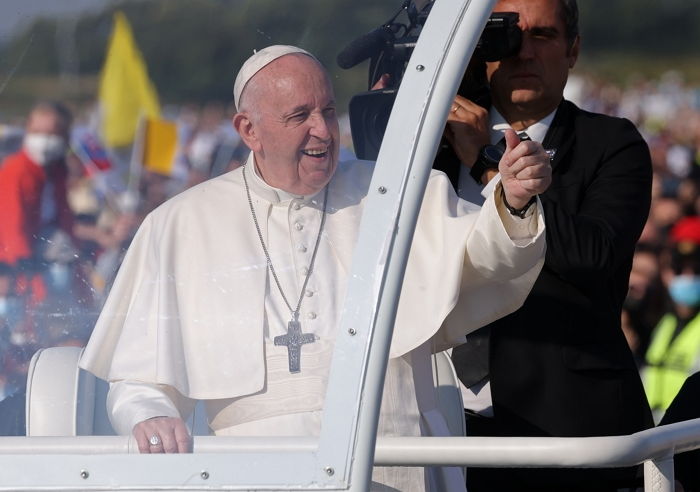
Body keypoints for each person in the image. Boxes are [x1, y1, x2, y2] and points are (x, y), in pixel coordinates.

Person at [79, 45, 551, 491]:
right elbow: (138, 378)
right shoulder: (178, 224)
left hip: (393, 455)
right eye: (299, 116)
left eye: (327, 110)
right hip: (255, 474)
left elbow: (483, 261)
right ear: (249, 130)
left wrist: (510, 200)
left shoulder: (397, 195)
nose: (323, 130)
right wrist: (149, 414)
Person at [444, 0, 654, 490]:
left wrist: (487, 165)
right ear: (480, 53)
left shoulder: (610, 143)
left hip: (570, 428)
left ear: (573, 49)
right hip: (441, 425)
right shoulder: (428, 149)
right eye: (506, 35)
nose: (523, 52)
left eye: (542, 35)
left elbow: (594, 257)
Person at [0, 101, 75, 313]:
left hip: (41, 248)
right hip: (14, 262)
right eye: (37, 132)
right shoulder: (15, 170)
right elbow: (11, 227)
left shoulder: (57, 169)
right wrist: (26, 273)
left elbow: (64, 214)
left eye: (51, 133)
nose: (43, 139)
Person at [644, 216, 700, 421]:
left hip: (687, 435)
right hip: (654, 431)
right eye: (678, 268)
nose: (688, 276)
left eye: (697, 270)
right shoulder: (660, 318)